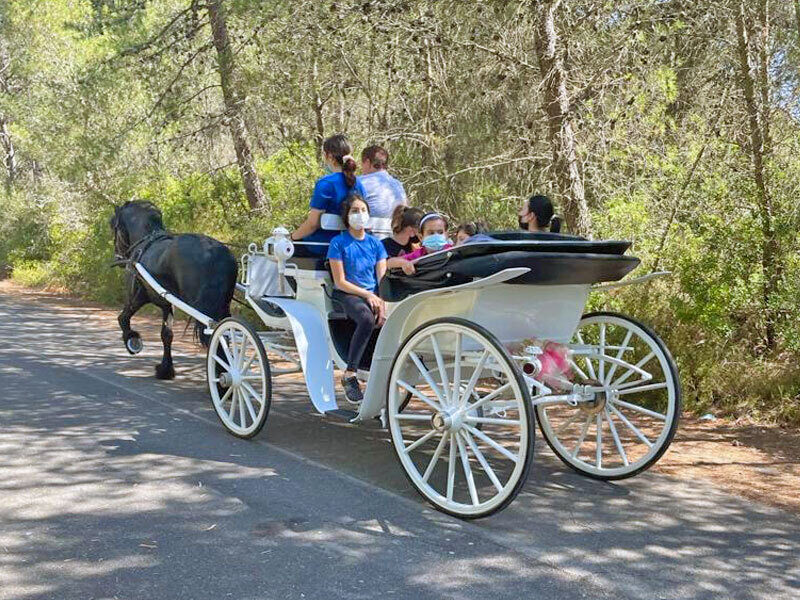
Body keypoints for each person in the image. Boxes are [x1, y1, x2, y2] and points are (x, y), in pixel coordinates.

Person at [327, 194, 387, 403]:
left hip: (372, 295)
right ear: (346, 216)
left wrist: (383, 301)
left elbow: (383, 278)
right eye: (354, 211)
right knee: (366, 319)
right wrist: (368, 295)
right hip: (347, 294)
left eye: (363, 210)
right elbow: (340, 281)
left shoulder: (376, 244)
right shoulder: (338, 243)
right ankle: (350, 374)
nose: (360, 215)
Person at [290, 134, 367, 249]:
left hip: (323, 245)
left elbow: (312, 224)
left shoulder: (326, 184)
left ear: (329, 156)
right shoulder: (359, 184)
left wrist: (291, 238)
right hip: (351, 244)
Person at [359, 144, 407, 219]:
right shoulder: (398, 184)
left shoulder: (362, 182)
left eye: (362, 163)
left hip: (371, 228)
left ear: (368, 162)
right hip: (395, 228)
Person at [383, 205, 423, 275]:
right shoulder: (383, 245)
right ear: (411, 231)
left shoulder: (414, 247)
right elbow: (385, 264)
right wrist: (403, 263)